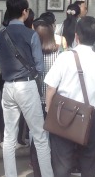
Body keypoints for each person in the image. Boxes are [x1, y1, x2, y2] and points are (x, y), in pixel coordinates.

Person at [45, 16, 95, 177]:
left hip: (63, 114)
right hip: (91, 116)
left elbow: (50, 88)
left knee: (62, 164)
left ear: (76, 36)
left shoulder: (64, 57)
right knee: (89, 162)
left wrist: (49, 110)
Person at [0, 0, 54, 177]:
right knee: (40, 136)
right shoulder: (31, 34)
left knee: (9, 137)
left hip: (8, 87)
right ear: (24, 12)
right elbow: (39, 67)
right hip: (26, 86)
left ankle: (10, 174)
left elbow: (0, 63)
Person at [30, 22, 60, 177]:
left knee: (37, 137)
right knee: (54, 138)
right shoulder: (59, 55)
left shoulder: (33, 56)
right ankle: (52, 169)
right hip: (54, 102)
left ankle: (37, 170)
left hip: (36, 100)